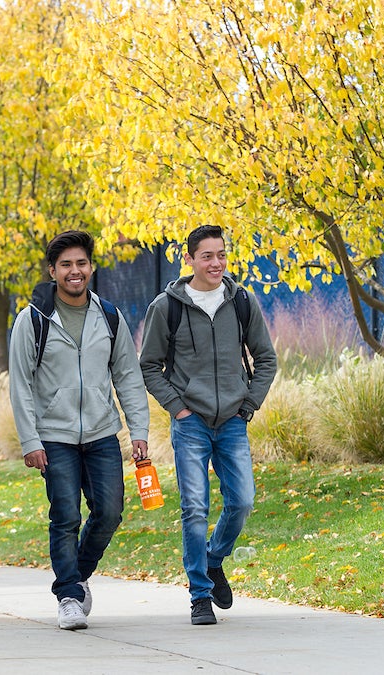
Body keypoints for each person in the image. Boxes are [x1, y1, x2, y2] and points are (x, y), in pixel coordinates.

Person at [8, 230, 150, 630]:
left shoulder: (109, 316)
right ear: (53, 271)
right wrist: (30, 440)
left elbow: (128, 376)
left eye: (81, 263)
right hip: (55, 436)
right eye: (66, 265)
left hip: (103, 433)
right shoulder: (32, 320)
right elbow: (20, 385)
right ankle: (68, 595)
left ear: (91, 267)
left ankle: (77, 576)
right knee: (66, 515)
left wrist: (138, 430)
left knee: (109, 512)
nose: (75, 271)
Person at [138, 225, 277, 626]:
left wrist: (248, 405)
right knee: (195, 508)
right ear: (190, 259)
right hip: (191, 423)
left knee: (243, 501)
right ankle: (199, 595)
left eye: (221, 255)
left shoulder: (241, 302)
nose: (216, 263)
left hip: (233, 420)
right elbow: (150, 365)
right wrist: (178, 408)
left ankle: (213, 560)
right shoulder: (168, 307)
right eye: (207, 256)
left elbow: (265, 358)